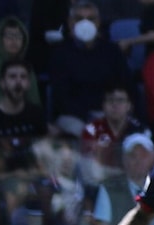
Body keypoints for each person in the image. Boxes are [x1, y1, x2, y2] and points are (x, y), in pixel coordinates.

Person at [47, 1, 133, 137]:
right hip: (73, 116)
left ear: (98, 23)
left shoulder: (112, 51)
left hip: (109, 111)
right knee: (84, 133)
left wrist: (109, 111)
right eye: (79, 19)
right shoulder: (60, 53)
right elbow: (61, 96)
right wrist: (89, 117)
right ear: (70, 23)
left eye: (91, 19)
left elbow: (126, 84)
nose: (85, 23)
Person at [0, 59, 49, 139]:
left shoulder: (37, 115)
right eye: (12, 77)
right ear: (2, 83)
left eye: (23, 77)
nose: (18, 81)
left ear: (28, 84)